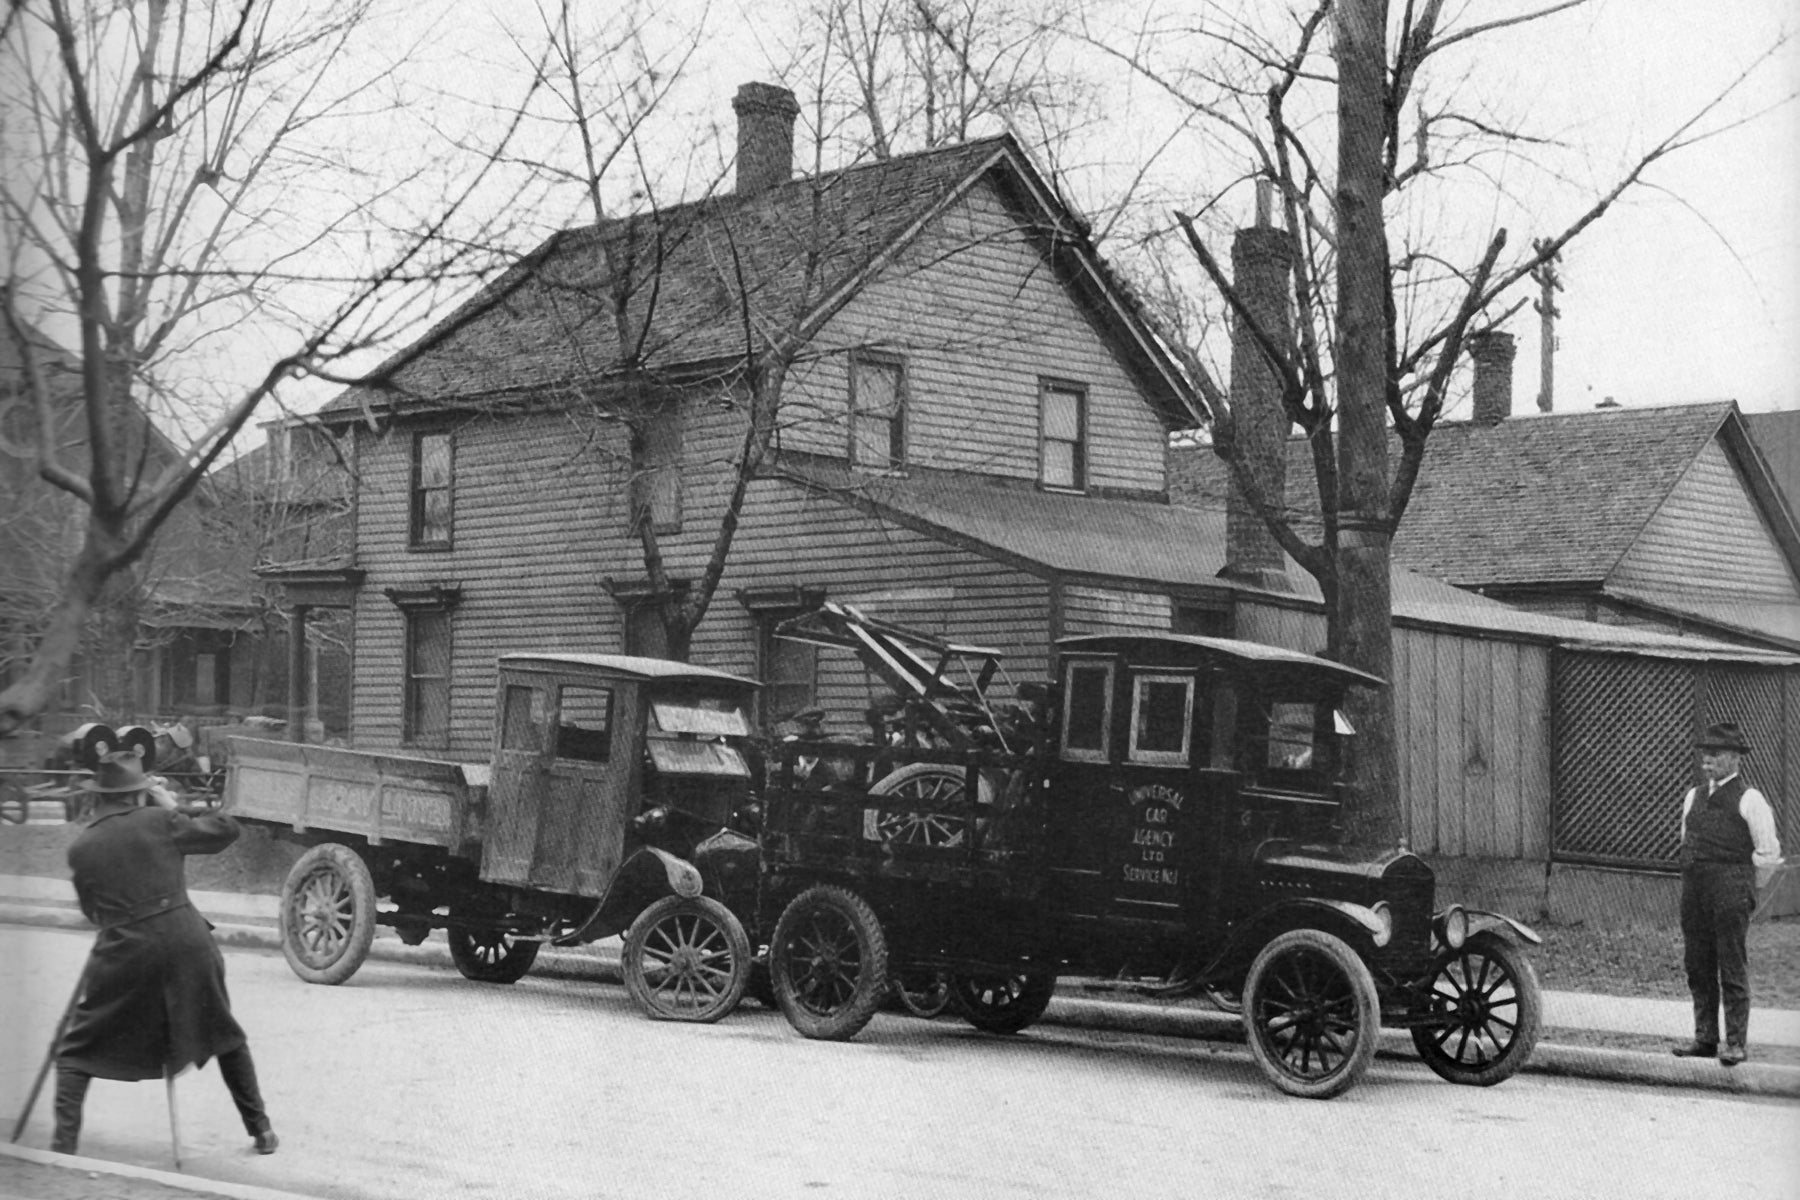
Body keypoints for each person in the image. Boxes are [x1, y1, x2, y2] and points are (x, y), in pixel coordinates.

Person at [51, 751, 278, 1155]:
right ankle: (261, 1131)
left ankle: (63, 1148)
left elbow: (92, 912)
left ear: (100, 795)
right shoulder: (162, 821)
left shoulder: (82, 847)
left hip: (125, 951)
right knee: (224, 1033)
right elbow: (226, 829)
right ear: (139, 793)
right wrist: (171, 805)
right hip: (187, 943)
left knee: (75, 1051)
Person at [1671, 722, 1783, 1067]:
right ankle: (1705, 1037)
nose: (1708, 760)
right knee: (1697, 964)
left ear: (1735, 758)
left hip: (1731, 888)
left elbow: (1768, 853)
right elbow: (1687, 839)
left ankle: (1735, 1042)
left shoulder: (1751, 799)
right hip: (1696, 889)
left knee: (1731, 964)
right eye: (1705, 754)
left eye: (1716, 754)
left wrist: (1745, 888)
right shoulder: (1693, 796)